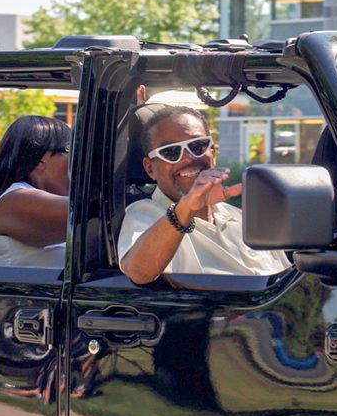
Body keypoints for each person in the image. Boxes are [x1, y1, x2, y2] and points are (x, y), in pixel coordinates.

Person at [117, 105, 291, 284]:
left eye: (197, 146)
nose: (187, 158)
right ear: (150, 168)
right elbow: (139, 272)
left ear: (213, 153)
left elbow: (286, 282)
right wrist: (187, 206)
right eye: (170, 152)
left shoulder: (241, 218)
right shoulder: (144, 215)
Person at [0, 116, 71, 267]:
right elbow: (86, 211)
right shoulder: (15, 201)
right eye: (71, 153)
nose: (77, 164)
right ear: (41, 160)